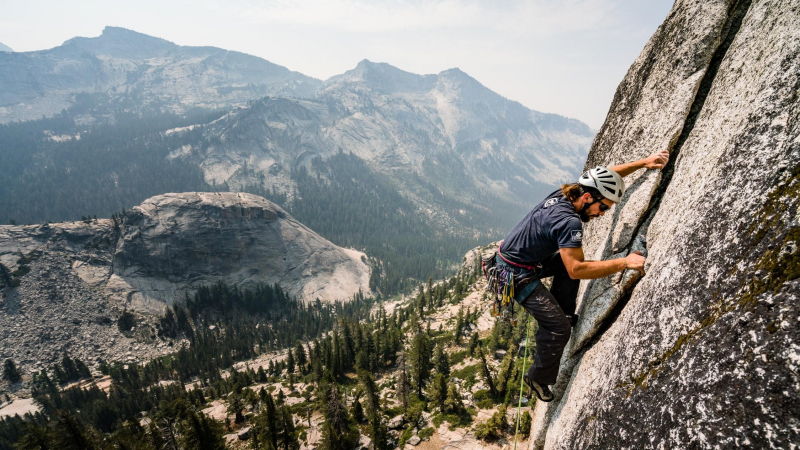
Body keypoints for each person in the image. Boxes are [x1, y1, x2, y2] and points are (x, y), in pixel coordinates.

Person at [498, 150, 669, 402]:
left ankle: (564, 311)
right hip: (514, 274)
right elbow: (576, 270)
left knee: (572, 260)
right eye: (602, 207)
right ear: (587, 197)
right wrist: (624, 262)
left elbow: (606, 175)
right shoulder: (570, 221)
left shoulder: (567, 194)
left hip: (520, 260)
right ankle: (538, 377)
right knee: (558, 327)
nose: (602, 213)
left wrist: (643, 163)